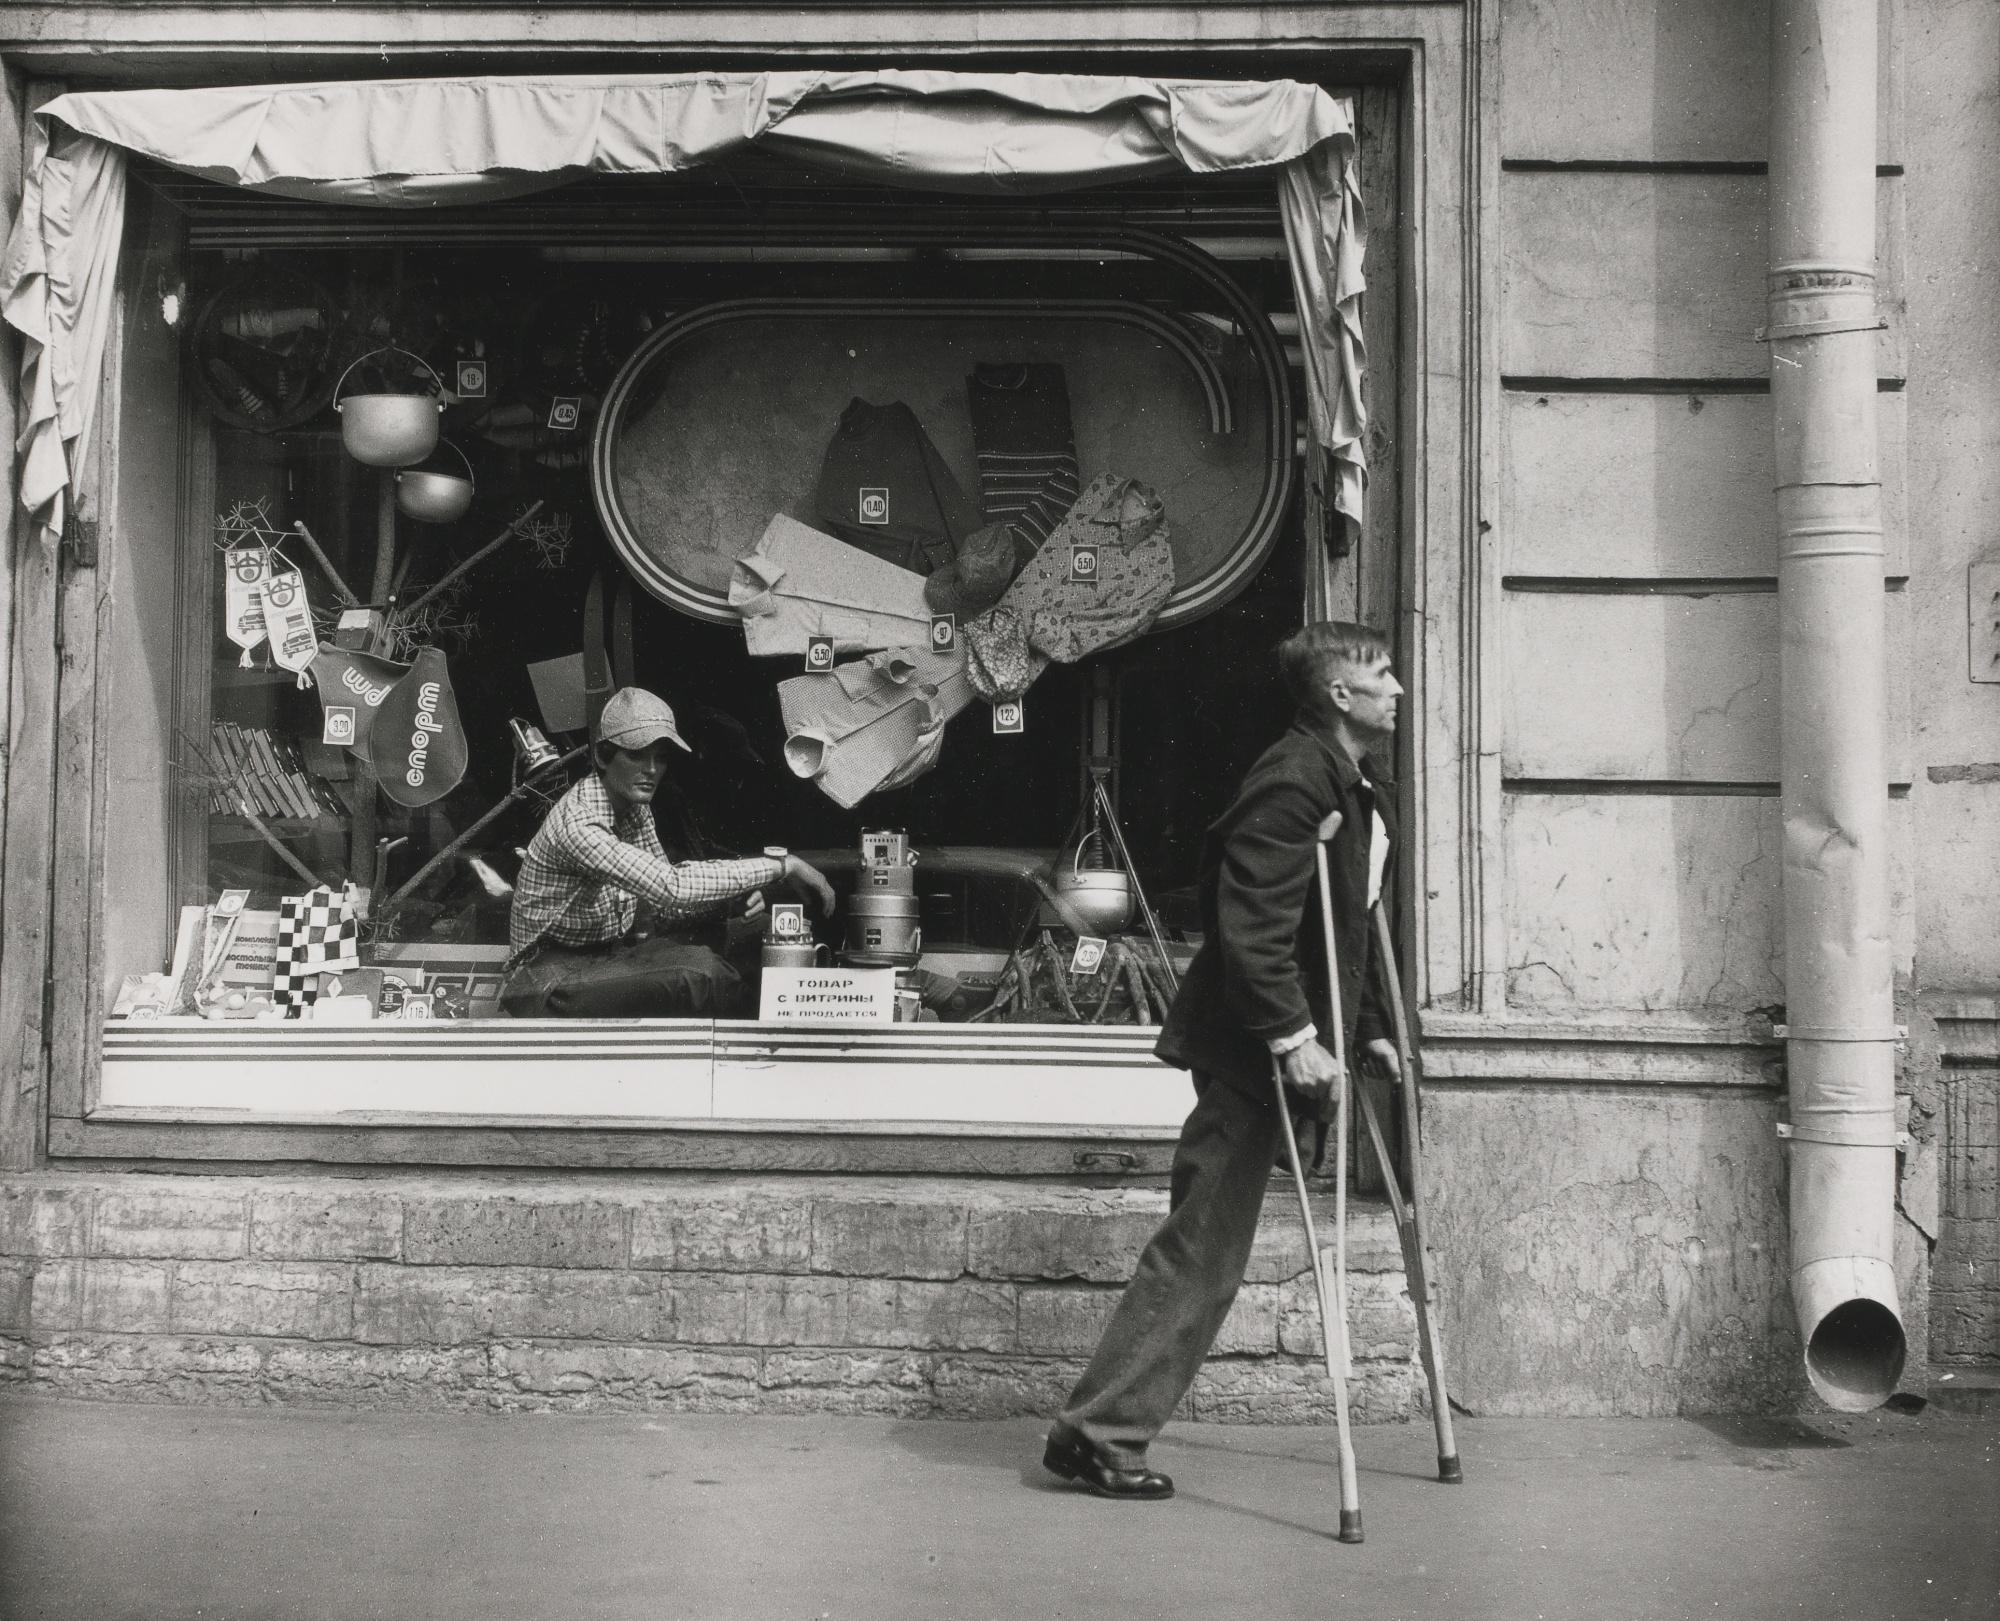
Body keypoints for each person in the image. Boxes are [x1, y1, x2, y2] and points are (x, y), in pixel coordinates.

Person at [1041, 621, 1405, 1499]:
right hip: (1253, 1050)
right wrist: (1294, 1037)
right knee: (1203, 1249)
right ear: (1339, 695)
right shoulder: (1294, 780)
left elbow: (1344, 928)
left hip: (1282, 1045)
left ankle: (1101, 1425)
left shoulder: (1351, 781)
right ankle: (1098, 1432)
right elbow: (1254, 927)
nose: (1397, 687)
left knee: (1208, 1249)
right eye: (1381, 673)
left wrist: (1365, 1028)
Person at [501, 686, 835, 1018]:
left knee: (762, 932)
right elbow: (670, 886)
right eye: (636, 754)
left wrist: (732, 900)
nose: (650, 769)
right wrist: (784, 865)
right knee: (701, 976)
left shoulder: (633, 807)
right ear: (602, 756)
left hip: (603, 957)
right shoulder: (580, 825)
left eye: (660, 757)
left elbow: (663, 906)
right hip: (545, 981)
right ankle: (758, 1053)